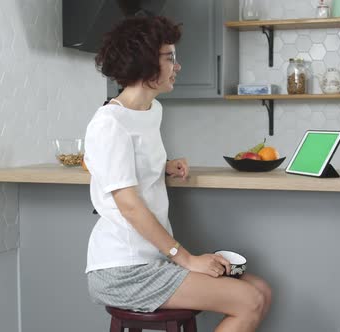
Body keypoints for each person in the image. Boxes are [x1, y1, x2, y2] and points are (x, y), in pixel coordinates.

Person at [84, 16, 272, 332]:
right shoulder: (108, 123)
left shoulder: (151, 111)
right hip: (122, 269)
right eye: (170, 57)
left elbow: (134, 164)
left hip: (152, 261)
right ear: (144, 63)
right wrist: (186, 258)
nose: (178, 66)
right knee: (248, 301)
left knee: (261, 291)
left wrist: (163, 165)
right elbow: (129, 205)